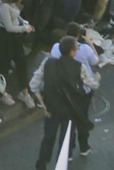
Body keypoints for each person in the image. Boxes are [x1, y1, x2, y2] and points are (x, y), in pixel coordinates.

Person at [35, 37, 92, 170]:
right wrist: (97, 78)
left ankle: (41, 164)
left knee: (48, 138)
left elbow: (34, 85)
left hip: (50, 108)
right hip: (69, 109)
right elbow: (92, 83)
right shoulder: (79, 67)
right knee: (65, 140)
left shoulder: (47, 63)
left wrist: (42, 104)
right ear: (72, 52)